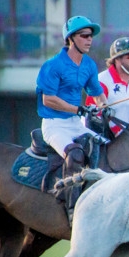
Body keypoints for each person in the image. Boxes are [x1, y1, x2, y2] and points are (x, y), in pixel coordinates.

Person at [36, 15, 107, 214]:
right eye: (84, 35)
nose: (89, 40)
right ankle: (72, 207)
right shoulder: (53, 65)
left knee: (103, 147)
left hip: (75, 123)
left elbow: (97, 93)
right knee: (75, 154)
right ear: (70, 38)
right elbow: (48, 99)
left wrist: (104, 106)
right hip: (54, 125)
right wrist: (77, 109)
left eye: (90, 36)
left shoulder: (89, 65)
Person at [84, 36, 129, 138]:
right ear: (117, 59)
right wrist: (115, 133)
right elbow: (93, 118)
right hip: (103, 138)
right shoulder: (101, 81)